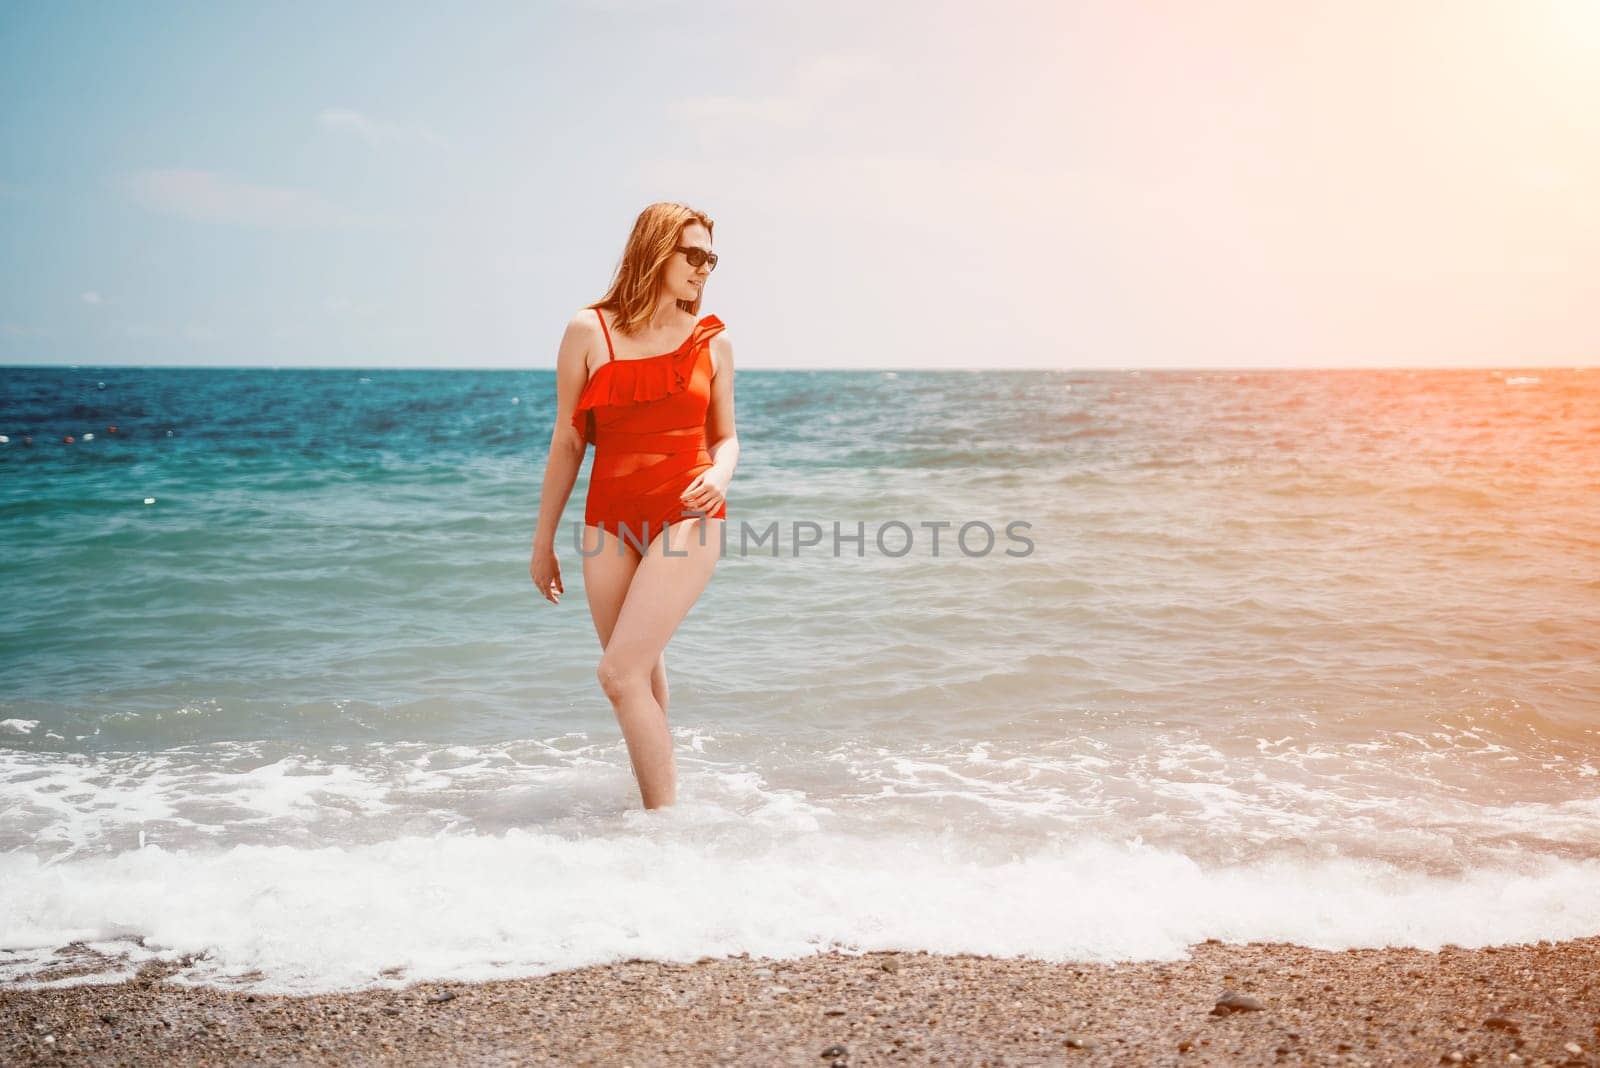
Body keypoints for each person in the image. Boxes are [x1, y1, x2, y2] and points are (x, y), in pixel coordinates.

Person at [529, 202, 738, 810]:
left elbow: (726, 437)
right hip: (607, 524)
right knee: (639, 674)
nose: (705, 270)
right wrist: (543, 542)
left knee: (617, 675)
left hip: (689, 515)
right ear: (656, 251)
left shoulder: (712, 340)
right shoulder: (588, 331)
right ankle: (659, 802)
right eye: (694, 256)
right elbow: (568, 440)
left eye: (711, 259)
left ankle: (665, 823)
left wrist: (720, 475)